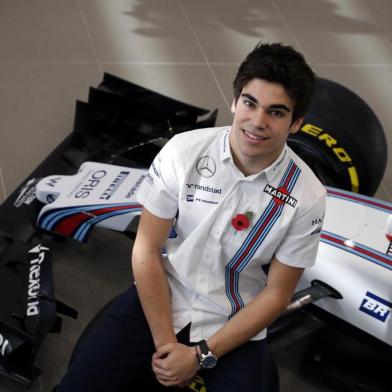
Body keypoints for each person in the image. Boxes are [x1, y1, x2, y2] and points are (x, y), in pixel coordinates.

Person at [56, 42, 326, 392]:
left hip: (233, 320)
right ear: (234, 101)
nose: (257, 122)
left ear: (296, 124)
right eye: (250, 103)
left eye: (276, 112)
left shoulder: (307, 197)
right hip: (161, 297)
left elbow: (276, 295)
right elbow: (146, 250)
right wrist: (167, 344)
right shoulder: (183, 152)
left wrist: (198, 357)